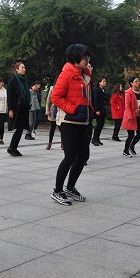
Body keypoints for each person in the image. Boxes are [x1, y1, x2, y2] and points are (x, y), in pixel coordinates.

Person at [50, 44, 92, 205]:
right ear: (75, 59)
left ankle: (70, 188)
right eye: (84, 57)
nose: (87, 60)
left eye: (87, 57)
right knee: (70, 157)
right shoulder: (66, 75)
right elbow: (55, 97)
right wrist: (72, 109)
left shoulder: (84, 75)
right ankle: (57, 191)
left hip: (82, 121)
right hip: (68, 121)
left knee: (83, 156)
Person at [6, 62, 30, 156]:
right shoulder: (13, 81)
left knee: (20, 128)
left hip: (24, 107)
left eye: (24, 68)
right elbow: (10, 96)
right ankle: (12, 148)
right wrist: (10, 109)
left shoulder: (24, 80)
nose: (24, 69)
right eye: (22, 68)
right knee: (19, 128)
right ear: (17, 69)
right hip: (17, 108)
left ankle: (13, 147)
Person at [122, 77, 140, 158]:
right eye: (136, 81)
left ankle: (131, 146)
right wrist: (130, 116)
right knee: (130, 135)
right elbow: (127, 106)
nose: (138, 82)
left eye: (139, 81)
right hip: (130, 116)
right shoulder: (128, 93)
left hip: (138, 116)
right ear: (131, 83)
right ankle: (125, 150)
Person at [91, 77, 107, 146]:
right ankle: (94, 138)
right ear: (99, 82)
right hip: (98, 110)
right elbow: (95, 100)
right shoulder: (97, 90)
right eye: (103, 81)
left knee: (101, 124)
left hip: (102, 109)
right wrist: (96, 110)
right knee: (98, 124)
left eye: (105, 81)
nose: (105, 83)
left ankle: (97, 138)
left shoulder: (104, 90)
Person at [45, 83, 58, 150]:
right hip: (53, 110)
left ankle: (63, 143)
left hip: (61, 110)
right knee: (52, 127)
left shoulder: (65, 87)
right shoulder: (52, 89)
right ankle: (50, 142)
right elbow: (48, 101)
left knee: (62, 128)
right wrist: (47, 110)